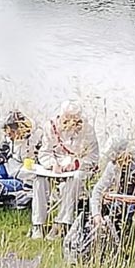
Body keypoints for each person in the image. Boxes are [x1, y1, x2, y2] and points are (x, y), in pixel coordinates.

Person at [28, 101, 100, 240]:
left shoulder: (87, 130)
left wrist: (77, 163)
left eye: (75, 120)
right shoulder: (51, 127)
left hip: (78, 167)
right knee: (39, 179)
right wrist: (52, 164)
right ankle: (38, 223)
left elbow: (93, 157)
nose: (71, 124)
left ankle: (61, 222)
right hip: (56, 165)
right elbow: (45, 152)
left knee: (75, 178)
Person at [0, 110, 42, 190]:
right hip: (8, 168)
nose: (9, 136)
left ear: (19, 130)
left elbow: (39, 166)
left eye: (11, 134)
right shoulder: (8, 138)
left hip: (22, 179)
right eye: (7, 133)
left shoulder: (36, 141)